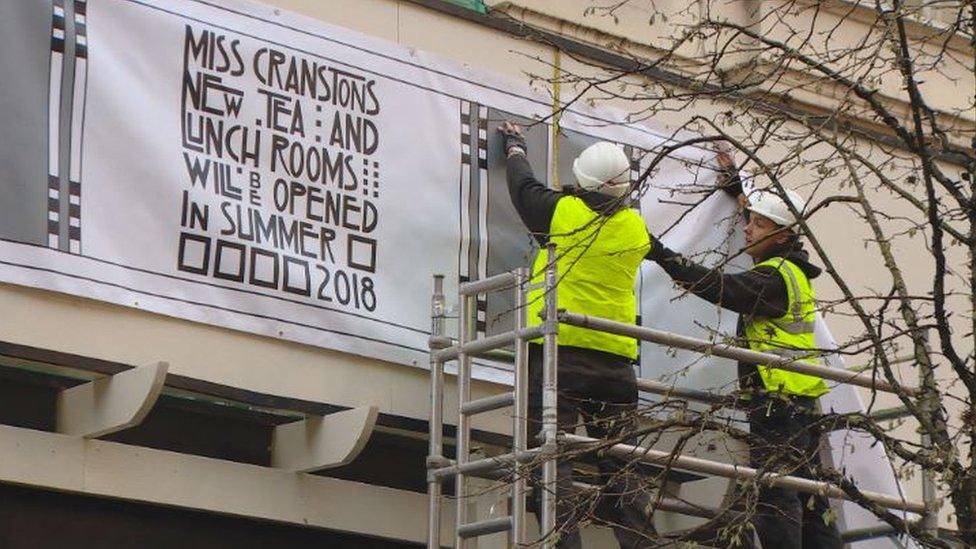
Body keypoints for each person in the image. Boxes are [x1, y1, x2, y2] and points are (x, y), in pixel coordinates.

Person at [646, 154, 843, 549]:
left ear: (783, 235)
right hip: (799, 404)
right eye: (748, 220)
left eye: (758, 224)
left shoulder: (772, 278)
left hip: (779, 406)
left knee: (777, 494)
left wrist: (662, 254)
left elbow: (722, 288)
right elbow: (763, 228)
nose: (747, 230)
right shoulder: (790, 269)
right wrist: (739, 188)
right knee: (809, 498)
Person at [498, 121, 657, 548]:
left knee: (552, 464)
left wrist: (515, 147)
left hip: (560, 357)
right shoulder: (635, 229)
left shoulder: (562, 212)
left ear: (581, 179)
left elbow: (522, 187)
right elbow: (677, 263)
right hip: (615, 362)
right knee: (623, 470)